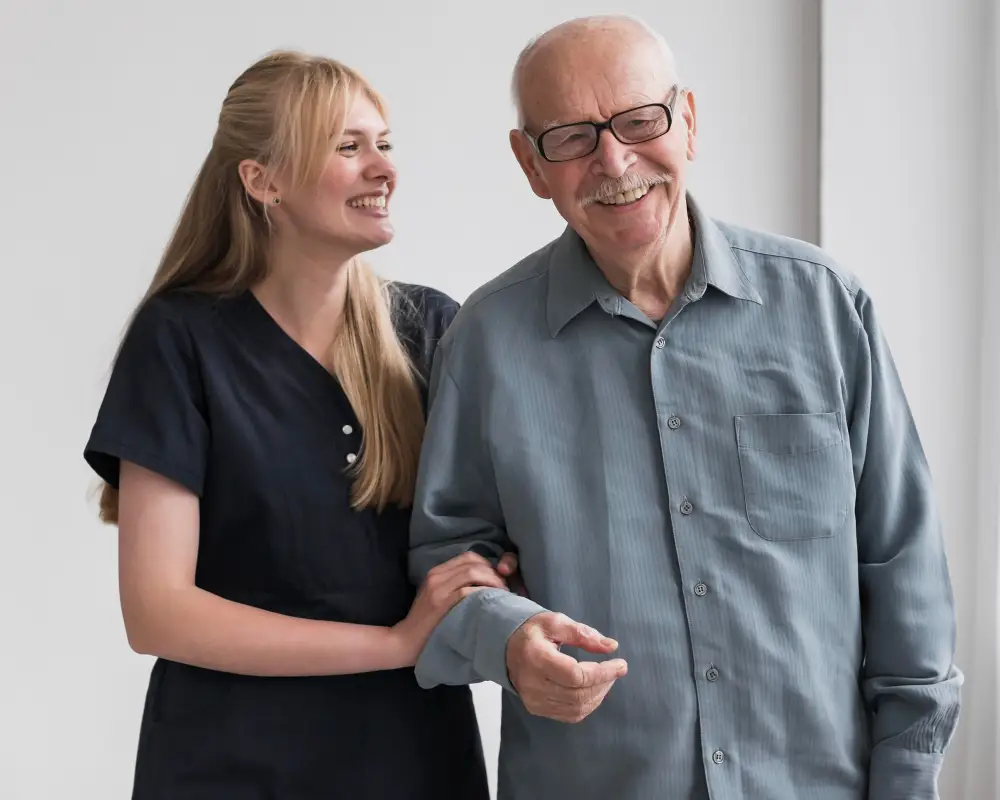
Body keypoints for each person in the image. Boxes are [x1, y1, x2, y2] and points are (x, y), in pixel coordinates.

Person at [407, 15, 963, 800]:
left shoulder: (826, 308)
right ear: (530, 164)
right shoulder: (485, 343)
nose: (613, 159)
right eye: (570, 136)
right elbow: (446, 559)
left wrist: (907, 777)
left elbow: (902, 565)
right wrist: (506, 643)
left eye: (641, 121)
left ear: (689, 121)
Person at [83, 50, 514, 799]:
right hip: (230, 766)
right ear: (263, 180)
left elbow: (496, 532)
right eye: (347, 147)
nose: (383, 169)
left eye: (384, 143)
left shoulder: (433, 330)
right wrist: (393, 644)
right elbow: (157, 612)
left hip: (413, 760)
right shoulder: (180, 339)